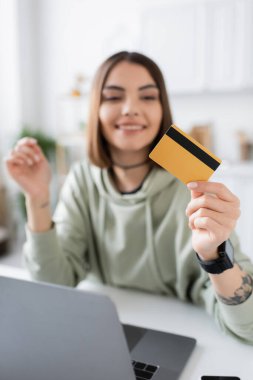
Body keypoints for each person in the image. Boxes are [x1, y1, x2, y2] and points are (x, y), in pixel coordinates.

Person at [5, 51, 253, 344]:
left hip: (179, 337)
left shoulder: (192, 188)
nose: (130, 109)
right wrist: (37, 197)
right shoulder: (83, 179)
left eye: (147, 97)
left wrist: (214, 256)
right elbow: (53, 285)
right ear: (95, 108)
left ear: (163, 108)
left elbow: (247, 328)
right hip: (99, 332)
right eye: (113, 97)